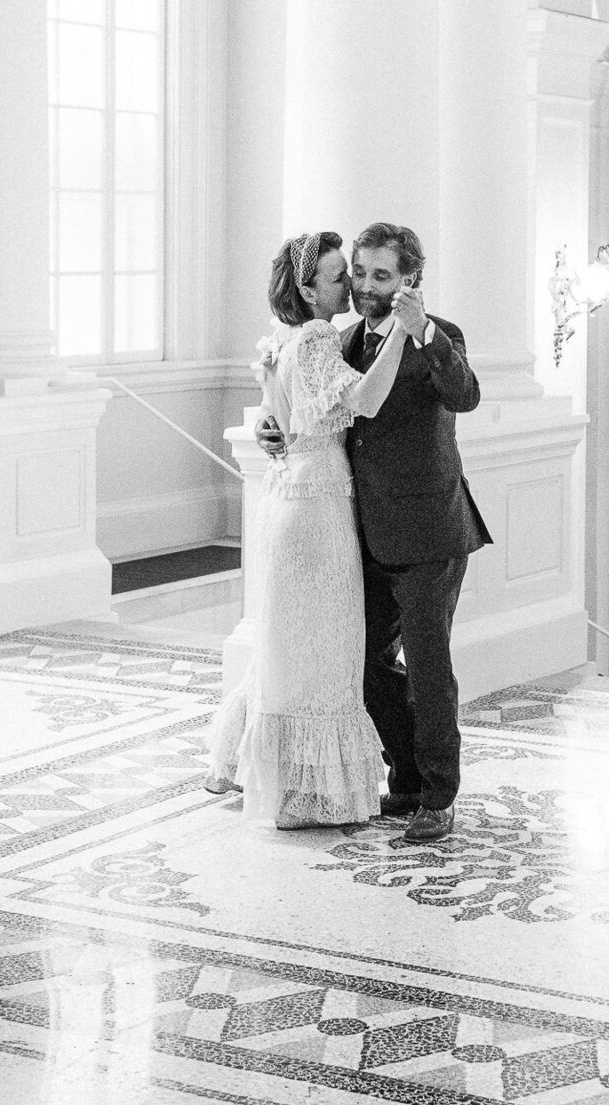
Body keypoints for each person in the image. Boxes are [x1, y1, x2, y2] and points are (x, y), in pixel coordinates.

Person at [205, 229, 408, 827]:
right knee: (325, 652)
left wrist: (271, 426)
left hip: (288, 496)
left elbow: (281, 413)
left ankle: (257, 769)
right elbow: (364, 400)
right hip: (319, 506)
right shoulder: (318, 337)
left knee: (288, 646)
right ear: (310, 290)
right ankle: (308, 792)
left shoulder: (285, 338)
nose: (351, 286)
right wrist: (403, 329)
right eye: (340, 276)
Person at [338, 224, 490, 844]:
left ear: (410, 281)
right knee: (364, 662)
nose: (366, 286)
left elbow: (465, 395)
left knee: (429, 669)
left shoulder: (440, 335)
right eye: (360, 273)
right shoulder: (344, 342)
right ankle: (404, 777)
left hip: (430, 532)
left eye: (381, 275)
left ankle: (438, 795)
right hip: (366, 533)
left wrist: (423, 330)